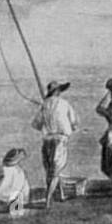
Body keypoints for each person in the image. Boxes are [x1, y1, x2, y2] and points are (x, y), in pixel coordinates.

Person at [32, 80, 78, 208]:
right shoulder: (65, 104)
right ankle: (48, 199)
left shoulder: (44, 105)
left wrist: (47, 120)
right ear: (58, 92)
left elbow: (35, 124)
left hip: (47, 140)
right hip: (60, 140)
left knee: (49, 171)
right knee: (55, 172)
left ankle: (56, 195)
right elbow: (74, 124)